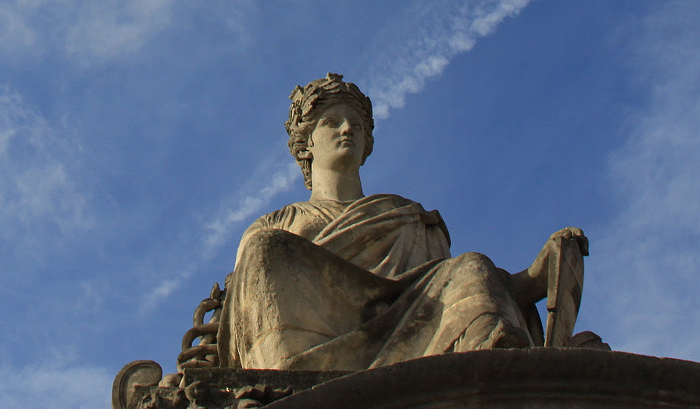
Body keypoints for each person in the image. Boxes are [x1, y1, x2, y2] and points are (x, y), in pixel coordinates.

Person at [220, 73, 590, 371]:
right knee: (264, 248)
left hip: (412, 328)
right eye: (331, 122)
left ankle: (496, 376)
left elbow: (444, 294)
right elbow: (244, 312)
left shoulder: (408, 217)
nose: (347, 130)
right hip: (310, 348)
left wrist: (535, 276)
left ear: (367, 142)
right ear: (305, 144)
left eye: (356, 125)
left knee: (472, 264)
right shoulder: (277, 224)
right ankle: (287, 383)